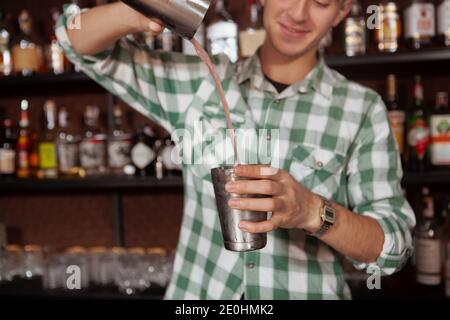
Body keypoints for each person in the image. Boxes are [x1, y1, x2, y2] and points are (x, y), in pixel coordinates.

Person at [55, 0, 415, 299]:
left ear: (341, 11)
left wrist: (311, 211)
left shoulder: (361, 109)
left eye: (321, 2)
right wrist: (140, 10)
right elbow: (72, 40)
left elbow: (394, 246)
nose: (300, 13)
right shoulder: (201, 82)